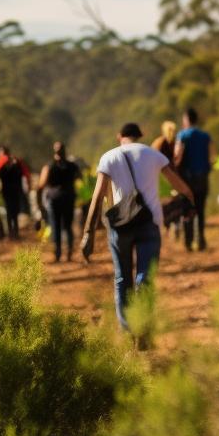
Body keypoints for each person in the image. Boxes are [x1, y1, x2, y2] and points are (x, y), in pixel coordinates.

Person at [81, 123, 195, 331]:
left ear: (120, 137)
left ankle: (128, 329)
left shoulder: (109, 157)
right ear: (140, 136)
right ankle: (143, 323)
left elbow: (98, 197)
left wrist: (88, 233)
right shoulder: (154, 155)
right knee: (145, 277)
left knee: (122, 277)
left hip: (119, 226)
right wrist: (190, 198)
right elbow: (177, 184)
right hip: (149, 223)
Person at [174, 108, 213, 251]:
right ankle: (201, 240)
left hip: (187, 179)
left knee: (187, 209)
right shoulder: (205, 136)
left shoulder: (182, 135)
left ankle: (188, 242)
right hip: (202, 177)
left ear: (186, 119)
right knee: (201, 210)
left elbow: (177, 156)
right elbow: (211, 156)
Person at [38, 142, 82, 263]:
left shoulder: (49, 166)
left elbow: (41, 184)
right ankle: (68, 253)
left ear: (54, 151)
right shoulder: (72, 165)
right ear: (64, 151)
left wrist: (40, 204)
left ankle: (58, 253)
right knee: (68, 226)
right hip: (69, 198)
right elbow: (80, 178)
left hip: (54, 199)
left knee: (55, 226)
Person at [0, 146, 32, 240]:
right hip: (17, 190)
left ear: (2, 153)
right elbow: (26, 174)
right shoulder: (18, 161)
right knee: (15, 211)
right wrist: (28, 186)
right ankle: (15, 232)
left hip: (7, 191)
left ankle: (10, 233)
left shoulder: (1, 162)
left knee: (9, 211)